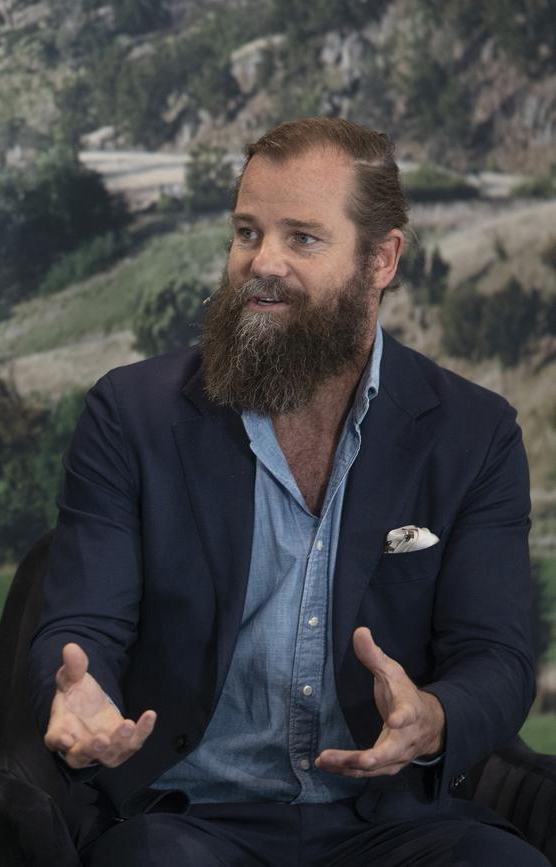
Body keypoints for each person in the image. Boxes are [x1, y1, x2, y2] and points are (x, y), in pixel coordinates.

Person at [29, 117, 545, 866]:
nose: (260, 262)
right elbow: (83, 627)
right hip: (190, 816)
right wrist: (79, 693)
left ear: (382, 259)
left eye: (302, 238)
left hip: (391, 822)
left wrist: (430, 716)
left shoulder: (475, 433)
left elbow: (496, 657)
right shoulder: (129, 415)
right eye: (247, 232)